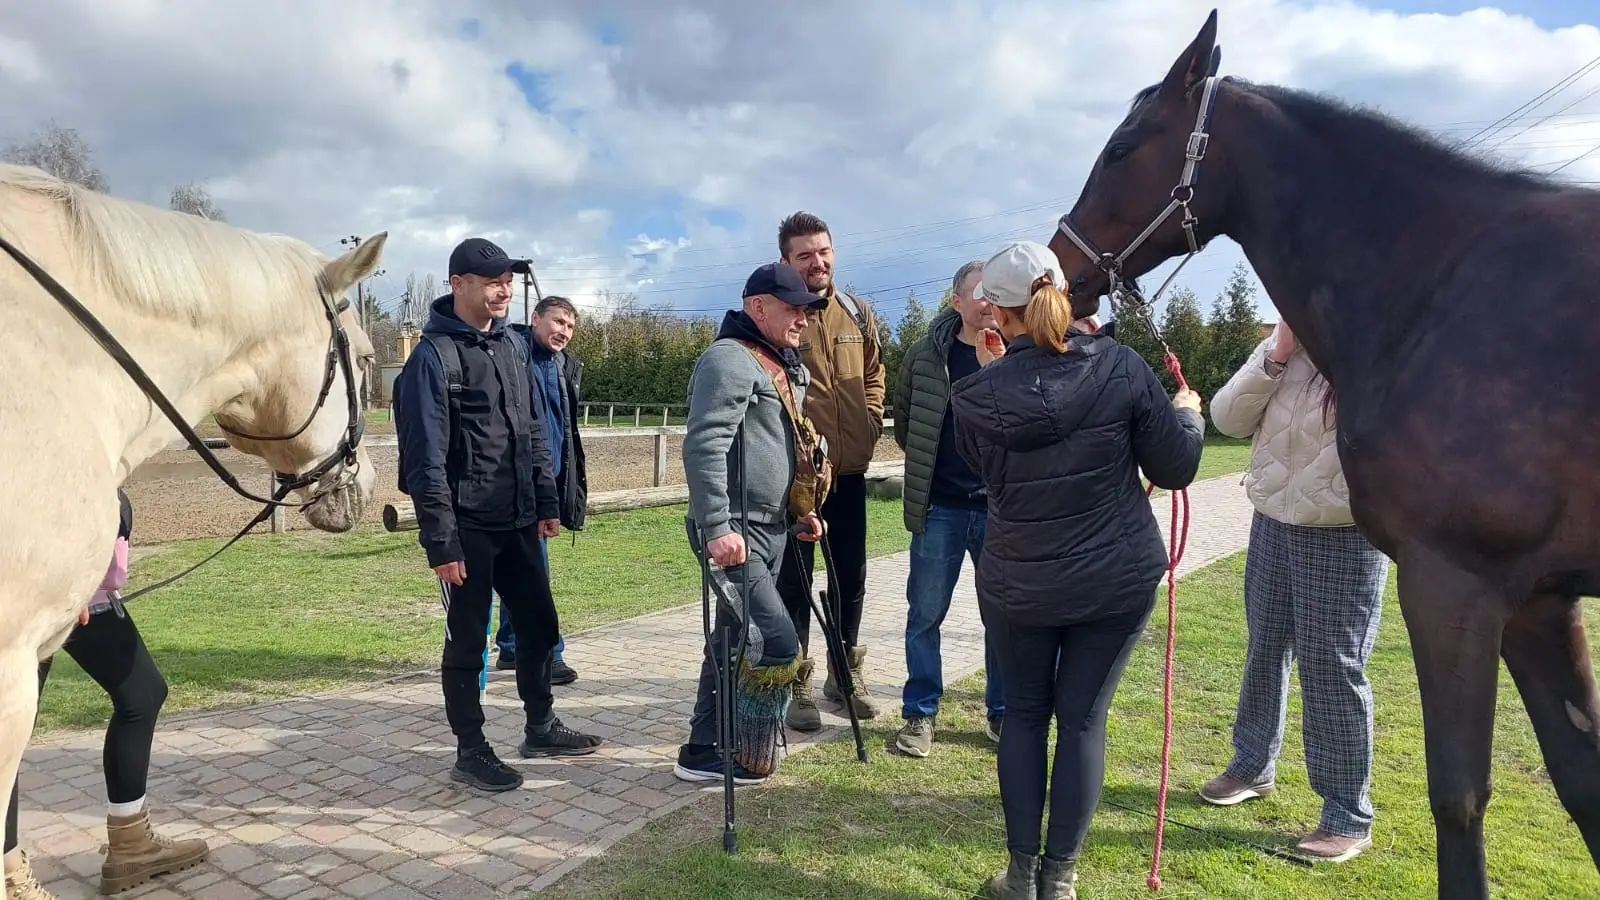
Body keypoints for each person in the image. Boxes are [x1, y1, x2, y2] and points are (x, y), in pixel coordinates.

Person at [949, 241, 1205, 899]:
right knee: (1082, 721)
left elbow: (986, 472)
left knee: (1027, 718)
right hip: (1112, 581)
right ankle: (1057, 881)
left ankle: (1020, 877)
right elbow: (1175, 467)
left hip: (1021, 584)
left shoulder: (976, 396)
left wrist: (987, 373)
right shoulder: (1120, 367)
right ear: (1062, 295)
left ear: (996, 317)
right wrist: (1188, 416)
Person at [393, 237, 602, 794]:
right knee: (468, 640)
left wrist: (545, 503)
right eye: (491, 281)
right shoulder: (430, 360)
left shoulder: (510, 347)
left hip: (518, 521)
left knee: (540, 625)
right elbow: (424, 459)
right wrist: (442, 542)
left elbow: (531, 431)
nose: (503, 290)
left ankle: (540, 726)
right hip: (466, 529)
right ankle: (471, 750)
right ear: (457, 284)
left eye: (508, 281)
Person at [1199, 319, 1389, 863]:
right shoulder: (1278, 350)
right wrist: (1277, 354)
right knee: (1265, 649)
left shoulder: (1368, 347)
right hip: (1272, 523)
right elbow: (1227, 418)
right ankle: (1251, 764)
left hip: (1343, 532)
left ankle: (1346, 815)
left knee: (1332, 669)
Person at [4, 489, 208, 900]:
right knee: (8, 728)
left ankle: (131, 841)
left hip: (80, 589)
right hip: (32, 595)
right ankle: (8, 873)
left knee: (143, 694)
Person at [675, 262, 826, 784]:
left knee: (732, 639)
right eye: (792, 308)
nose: (802, 319)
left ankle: (701, 749)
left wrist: (798, 511)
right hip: (734, 529)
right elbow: (705, 445)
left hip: (772, 526)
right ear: (757, 306)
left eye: (807, 310)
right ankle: (750, 753)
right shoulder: (729, 359)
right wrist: (717, 526)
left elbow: (775, 448)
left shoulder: (780, 363)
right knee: (777, 641)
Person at [773, 211, 888, 730]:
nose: (817, 262)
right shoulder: (775, 314)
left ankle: (844, 674)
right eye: (804, 255)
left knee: (852, 579)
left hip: (850, 474)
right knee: (794, 581)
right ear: (785, 261)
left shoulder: (857, 311)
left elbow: (874, 375)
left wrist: (867, 422)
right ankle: (797, 681)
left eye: (823, 251)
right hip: (796, 481)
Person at [890, 259, 1005, 758]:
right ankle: (919, 715)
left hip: (1000, 510)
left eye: (995, 293)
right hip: (940, 509)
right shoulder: (924, 356)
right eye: (978, 293)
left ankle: (1003, 714)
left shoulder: (1016, 354)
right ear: (956, 301)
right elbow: (905, 423)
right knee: (925, 615)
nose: (988, 302)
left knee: (1003, 617)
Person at [495, 295, 589, 687]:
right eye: (557, 321)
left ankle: (512, 646)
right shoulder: (513, 352)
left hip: (547, 486)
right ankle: (549, 654)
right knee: (535, 576)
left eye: (569, 326)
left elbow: (563, 431)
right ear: (534, 319)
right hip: (519, 484)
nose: (563, 331)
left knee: (518, 569)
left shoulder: (562, 366)